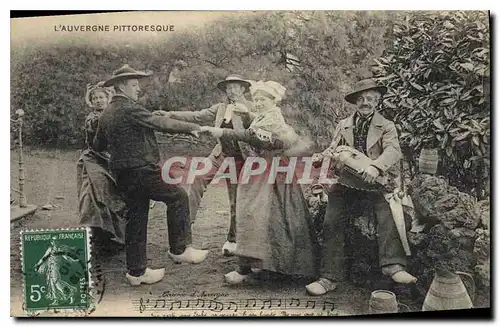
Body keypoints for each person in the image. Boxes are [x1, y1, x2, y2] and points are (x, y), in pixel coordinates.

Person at [94, 64, 209, 286]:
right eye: (134, 85)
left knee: (136, 218)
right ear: (121, 86)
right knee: (177, 196)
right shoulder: (128, 108)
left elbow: (97, 144)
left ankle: (136, 272)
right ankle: (180, 249)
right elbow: (160, 123)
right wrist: (190, 127)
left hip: (122, 173)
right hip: (141, 170)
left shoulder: (107, 112)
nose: (138, 89)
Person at [306, 77, 417, 296]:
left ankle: (393, 266)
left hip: (373, 182)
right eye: (361, 99)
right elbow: (333, 148)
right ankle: (329, 277)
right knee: (331, 220)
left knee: (386, 212)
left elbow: (393, 151)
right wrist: (322, 156)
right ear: (356, 102)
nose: (365, 102)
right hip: (346, 182)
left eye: (370, 99)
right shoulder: (344, 124)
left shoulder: (386, 126)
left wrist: (376, 167)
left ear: (377, 101)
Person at [202, 80, 319, 284]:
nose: (258, 103)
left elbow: (254, 138)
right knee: (258, 216)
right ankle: (256, 264)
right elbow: (253, 130)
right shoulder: (263, 116)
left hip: (271, 171)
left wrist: (221, 132)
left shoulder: (274, 118)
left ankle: (252, 267)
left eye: (262, 99)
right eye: (255, 99)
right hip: (259, 169)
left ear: (273, 101)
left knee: (262, 216)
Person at [156, 75, 254, 256]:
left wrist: (247, 115)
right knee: (197, 179)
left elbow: (254, 132)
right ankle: (184, 233)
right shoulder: (221, 108)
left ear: (243, 89)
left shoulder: (251, 108)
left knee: (235, 199)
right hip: (220, 153)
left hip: (240, 159)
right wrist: (170, 114)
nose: (231, 91)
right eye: (228, 88)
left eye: (235, 87)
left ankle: (233, 240)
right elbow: (198, 115)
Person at [77, 81, 126, 253]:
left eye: (101, 97)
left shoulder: (115, 115)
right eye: (95, 98)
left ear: (108, 98)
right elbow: (98, 139)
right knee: (96, 191)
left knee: (118, 192)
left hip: (113, 158)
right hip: (96, 159)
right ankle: (99, 233)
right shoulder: (93, 118)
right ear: (91, 101)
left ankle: (117, 235)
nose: (98, 100)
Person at [34, 237, 79, 306]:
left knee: (57, 282)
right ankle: (56, 300)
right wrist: (38, 264)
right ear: (51, 242)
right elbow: (43, 258)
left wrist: (73, 261)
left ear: (58, 241)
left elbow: (66, 257)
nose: (55, 242)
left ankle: (71, 292)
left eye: (56, 240)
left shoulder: (61, 249)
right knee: (52, 284)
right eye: (53, 241)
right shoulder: (50, 249)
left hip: (55, 268)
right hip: (49, 268)